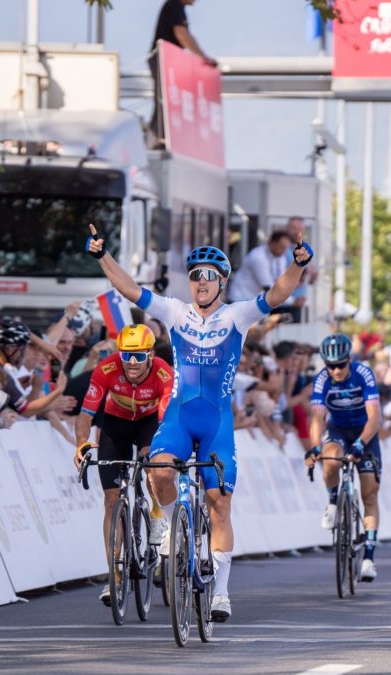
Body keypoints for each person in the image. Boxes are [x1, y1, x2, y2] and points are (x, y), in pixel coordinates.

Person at [85, 220, 312, 623]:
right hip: (179, 416)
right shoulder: (174, 312)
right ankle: (173, 528)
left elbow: (276, 295)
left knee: (219, 504)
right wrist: (103, 255)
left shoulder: (237, 315)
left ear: (222, 282)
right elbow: (129, 288)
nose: (201, 282)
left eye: (209, 276)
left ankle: (221, 593)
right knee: (158, 472)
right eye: (195, 276)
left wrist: (297, 266)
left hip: (216, 422)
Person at [72, 324, 174, 607]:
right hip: (115, 425)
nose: (131, 362)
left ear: (151, 355)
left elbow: (166, 419)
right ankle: (114, 575)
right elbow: (85, 415)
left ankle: (156, 515)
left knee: (151, 464)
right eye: (126, 354)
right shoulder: (106, 369)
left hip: (149, 423)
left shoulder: (164, 373)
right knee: (110, 499)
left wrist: (159, 451)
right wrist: (81, 442)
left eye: (139, 356)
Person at [305, 334, 383, 582]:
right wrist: (315, 447)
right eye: (331, 366)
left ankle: (369, 557)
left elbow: (375, 417)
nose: (336, 370)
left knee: (369, 492)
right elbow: (317, 417)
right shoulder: (321, 380)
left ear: (349, 360)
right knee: (329, 459)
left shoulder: (363, 374)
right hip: (338, 430)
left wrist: (361, 442)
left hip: (365, 431)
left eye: (341, 364)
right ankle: (332, 501)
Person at [148, 0, 217, 148]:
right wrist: (202, 57)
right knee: (164, 101)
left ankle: (160, 140)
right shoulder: (175, 5)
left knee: (166, 102)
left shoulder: (176, 6)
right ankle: (155, 142)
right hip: (162, 59)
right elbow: (181, 33)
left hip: (167, 60)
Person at [226, 230, 293, 303]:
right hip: (239, 299)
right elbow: (269, 287)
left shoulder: (280, 257)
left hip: (253, 300)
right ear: (271, 242)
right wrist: (293, 301)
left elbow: (280, 281)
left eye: (285, 248)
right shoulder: (258, 257)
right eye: (281, 247)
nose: (283, 251)